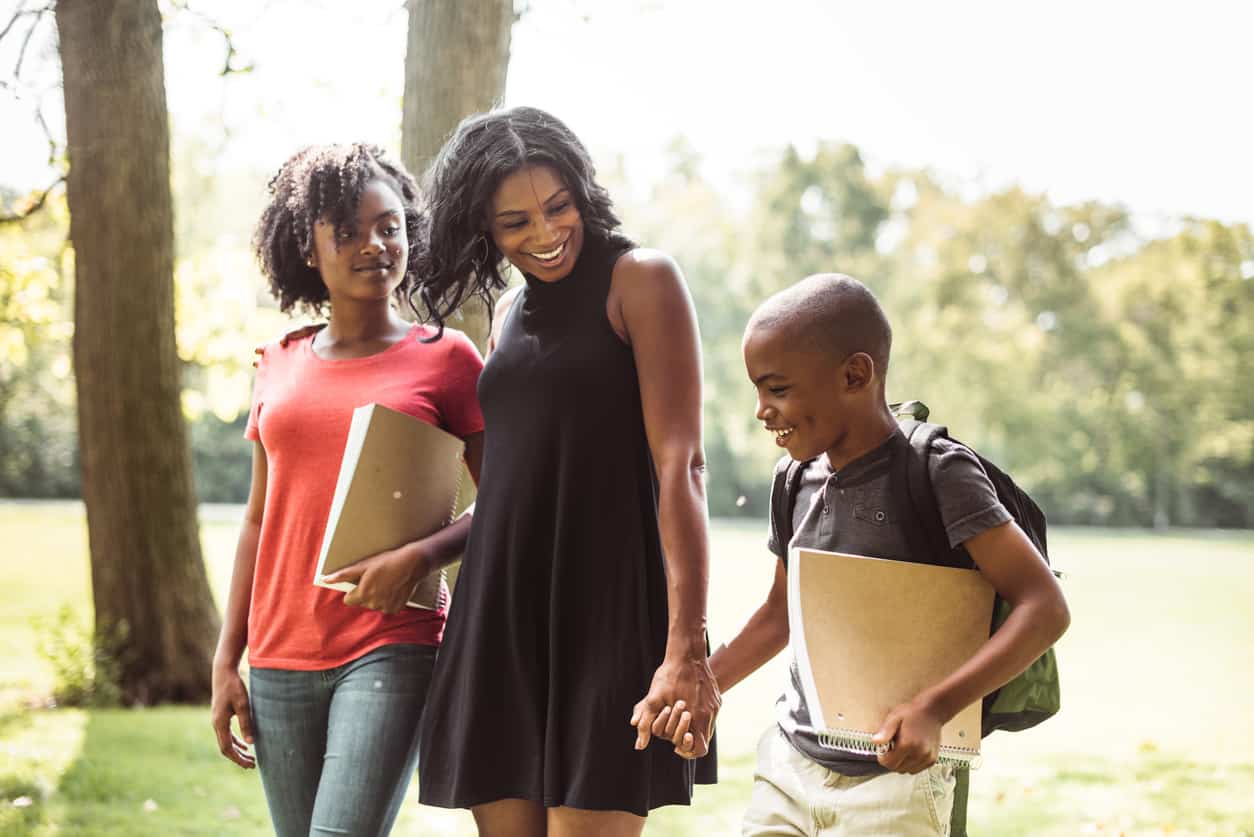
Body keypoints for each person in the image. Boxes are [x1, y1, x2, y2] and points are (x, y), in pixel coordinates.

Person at [410, 106, 718, 837]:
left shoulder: (639, 280)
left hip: (608, 614)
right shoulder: (507, 311)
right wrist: (414, 555)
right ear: (482, 226)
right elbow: (517, 485)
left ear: (583, 189)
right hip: (504, 614)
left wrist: (686, 648)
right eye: (515, 222)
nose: (545, 235)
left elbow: (683, 467)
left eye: (557, 207)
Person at [699, 274, 1070, 835]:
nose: (761, 411)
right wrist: (703, 687)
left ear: (854, 374)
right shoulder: (792, 479)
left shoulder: (939, 473)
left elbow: (1044, 606)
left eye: (777, 389)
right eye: (757, 390)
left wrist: (936, 710)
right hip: (790, 766)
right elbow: (781, 615)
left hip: (899, 785)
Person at [209, 143, 485, 837]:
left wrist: (420, 558)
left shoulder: (447, 359)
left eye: (389, 226)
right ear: (308, 246)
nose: (375, 244)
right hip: (277, 655)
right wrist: (226, 656)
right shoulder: (278, 362)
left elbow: (508, 497)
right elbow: (257, 519)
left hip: (391, 641)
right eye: (349, 230)